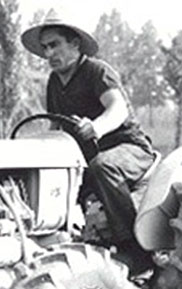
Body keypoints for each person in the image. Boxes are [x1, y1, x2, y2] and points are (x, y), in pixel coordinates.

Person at [21, 10, 156, 272]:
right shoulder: (54, 82)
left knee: (103, 167)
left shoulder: (96, 71)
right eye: (45, 47)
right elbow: (55, 124)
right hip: (87, 156)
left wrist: (96, 127)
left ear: (75, 44)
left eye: (55, 45)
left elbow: (117, 108)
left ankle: (136, 251)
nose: (49, 54)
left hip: (128, 149)